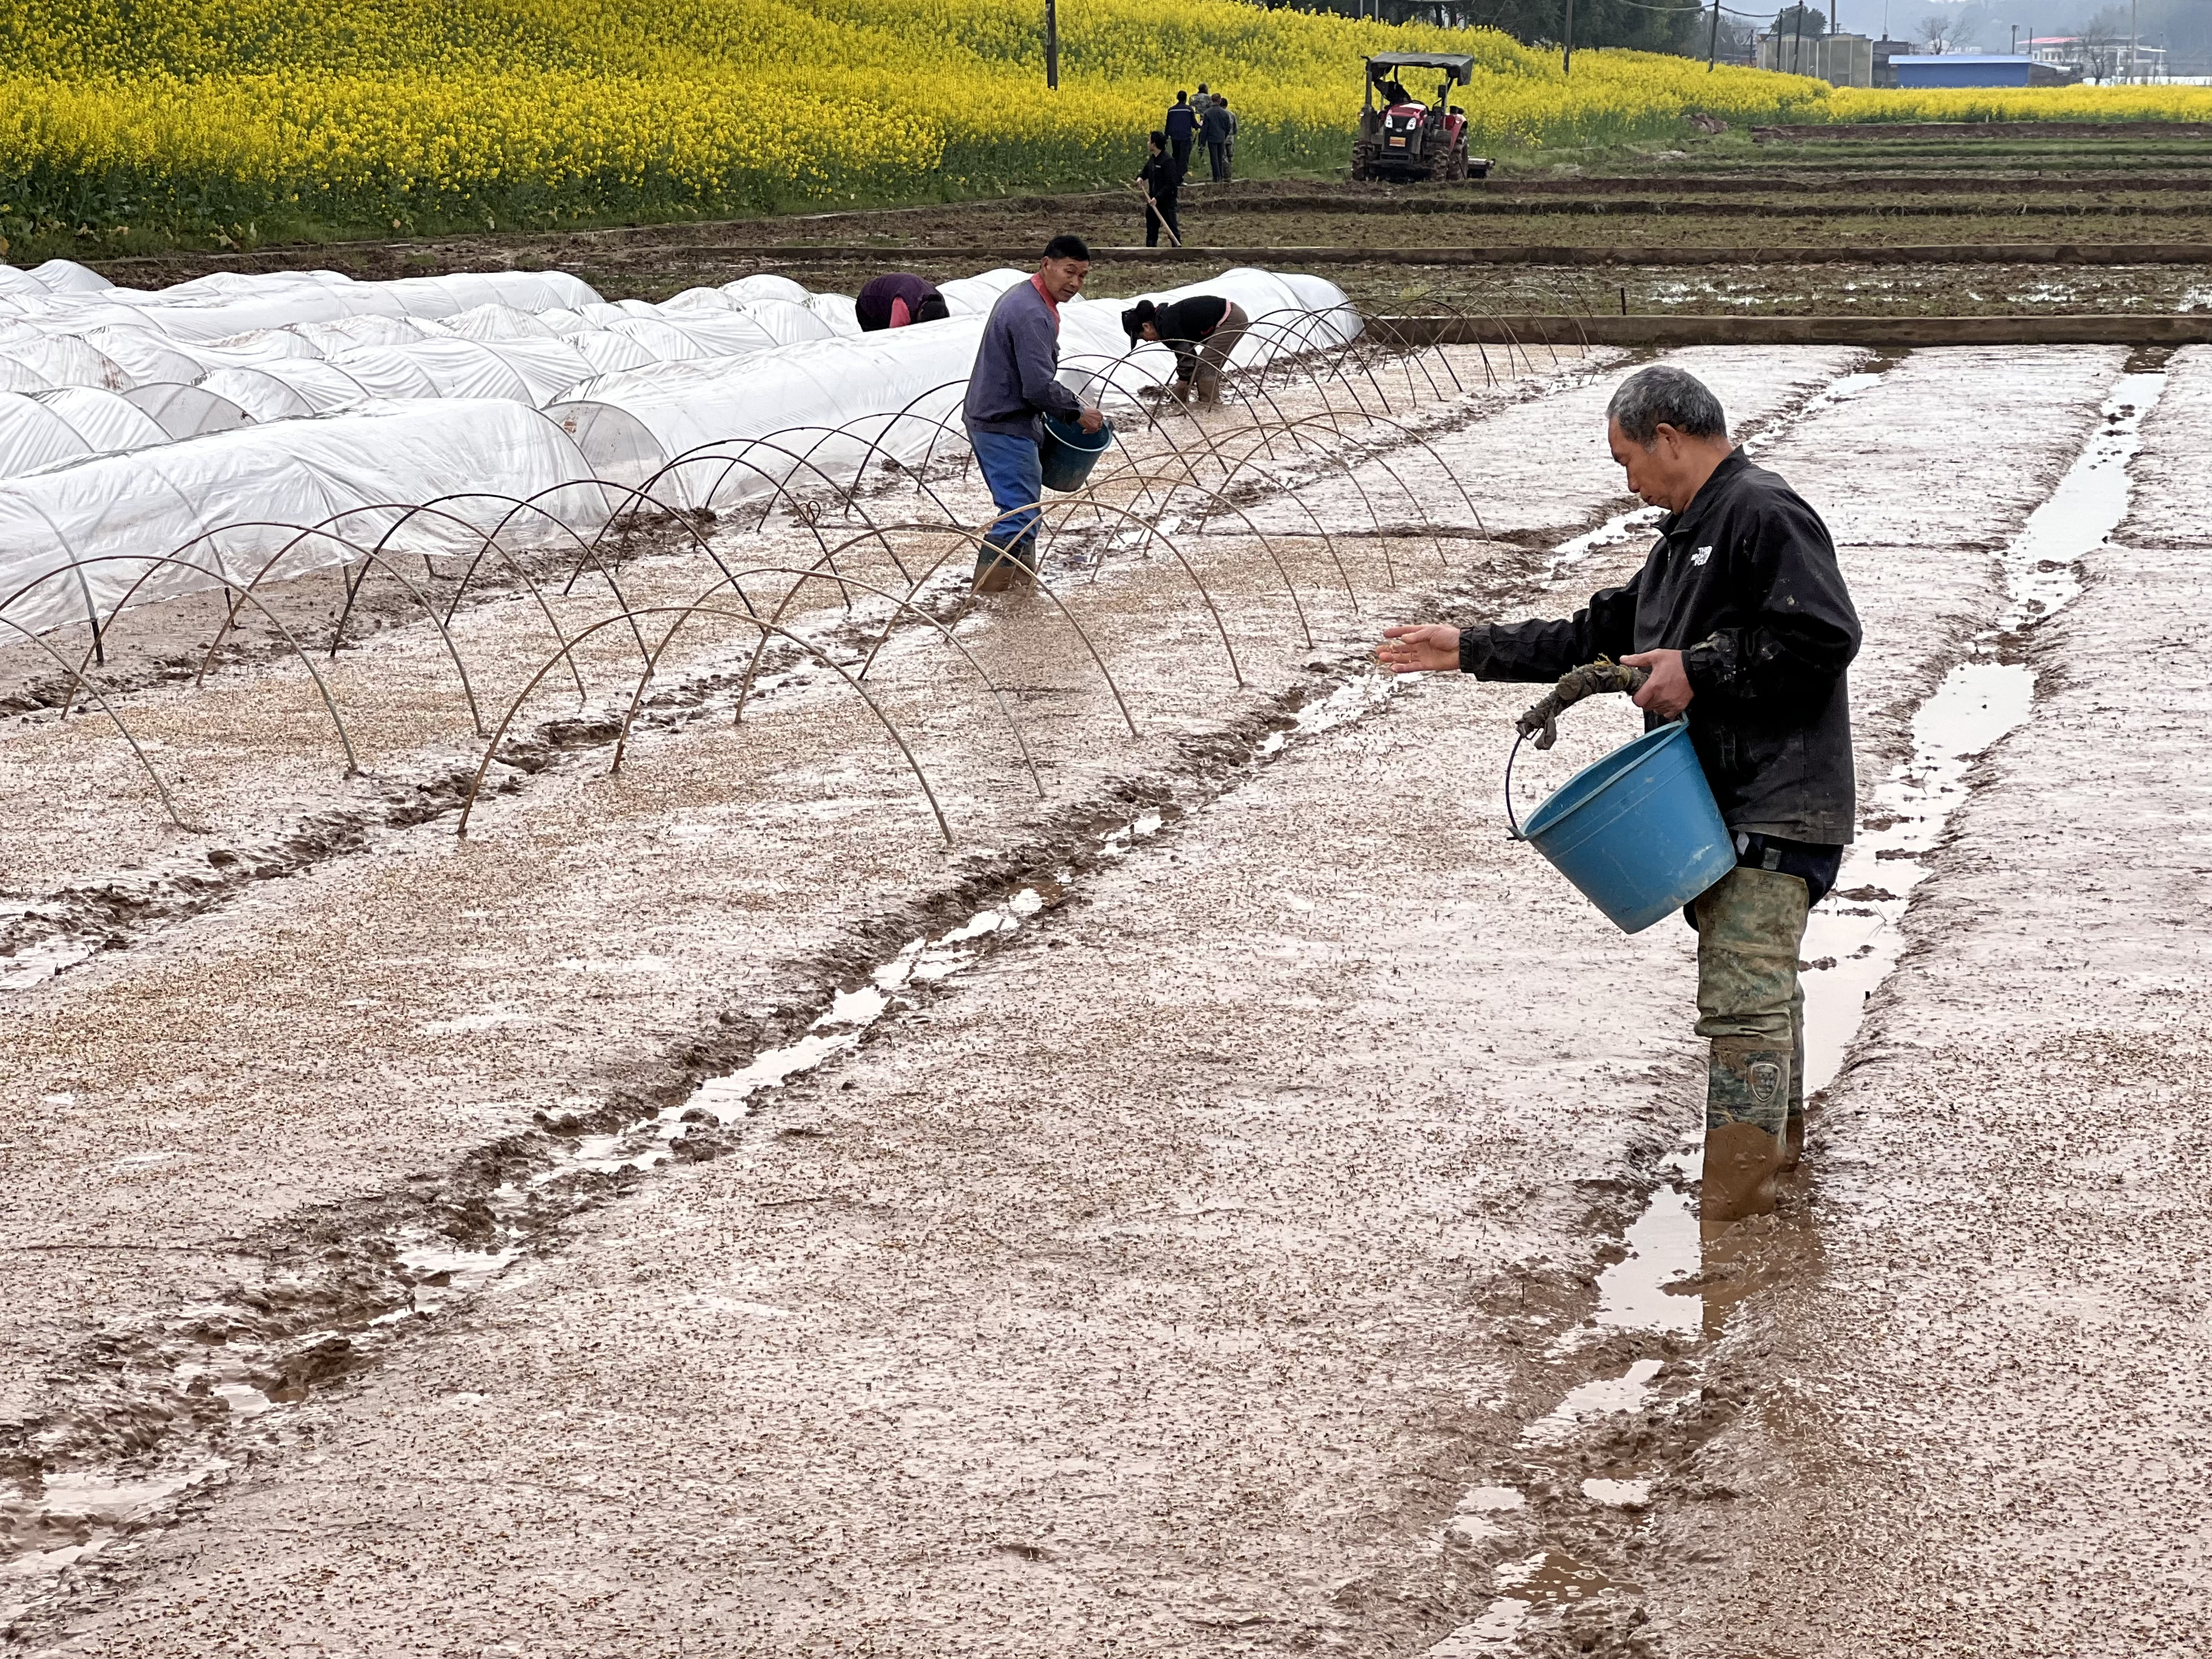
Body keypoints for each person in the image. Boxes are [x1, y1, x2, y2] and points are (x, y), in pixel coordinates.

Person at [1375, 366, 1861, 1228]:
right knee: (1760, 994)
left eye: (1627, 459)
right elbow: (1599, 634)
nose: (1627, 481)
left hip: (1774, 798)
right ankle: (1771, 1178)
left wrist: (1698, 667)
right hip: (1721, 797)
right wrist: (1470, 648)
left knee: (1742, 1000)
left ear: (1669, 438)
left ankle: (1736, 1216)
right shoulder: (1686, 535)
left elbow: (1820, 636)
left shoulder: (1760, 512)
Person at [961, 235, 1104, 592]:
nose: (1075, 283)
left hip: (1000, 414)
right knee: (1019, 516)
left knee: (1023, 510)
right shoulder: (1032, 314)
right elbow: (1038, 387)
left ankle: (1021, 591)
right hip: (1003, 422)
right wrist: (1077, 411)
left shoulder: (1025, 296)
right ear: (1046, 265)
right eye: (1069, 272)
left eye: (1083, 276)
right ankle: (988, 597)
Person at [1121, 294, 1247, 405]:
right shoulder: (1163, 322)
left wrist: (1180, 389)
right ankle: (1207, 404)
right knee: (1204, 366)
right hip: (1225, 317)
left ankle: (1211, 410)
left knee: (1205, 369)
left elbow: (1188, 358)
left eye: (1143, 337)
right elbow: (1188, 358)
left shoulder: (1166, 327)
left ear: (1147, 326)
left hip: (1230, 319)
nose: (1147, 341)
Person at [855, 272, 948, 332]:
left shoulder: (940, 305)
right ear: (921, 310)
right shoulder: (903, 306)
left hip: (896, 291)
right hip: (869, 302)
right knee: (880, 345)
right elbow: (895, 338)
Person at [1138, 132, 1181, 248]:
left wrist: (1158, 197)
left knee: (1172, 230)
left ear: (1154, 144)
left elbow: (1171, 184)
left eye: (1149, 141)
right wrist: (1141, 177)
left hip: (1166, 204)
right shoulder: (1153, 160)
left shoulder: (1168, 161)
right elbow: (1146, 171)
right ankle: (1150, 252)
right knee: (1151, 231)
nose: (1147, 143)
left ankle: (1178, 253)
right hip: (1153, 203)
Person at [1200, 94, 1233, 185]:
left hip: (1212, 138)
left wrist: (1202, 140)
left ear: (1211, 100)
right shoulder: (1225, 113)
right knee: (1220, 157)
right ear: (1220, 100)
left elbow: (1205, 128)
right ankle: (1221, 175)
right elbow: (1228, 127)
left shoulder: (1207, 113)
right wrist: (1224, 136)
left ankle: (1216, 177)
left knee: (1214, 157)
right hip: (1221, 137)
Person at [1165, 91, 1198, 181]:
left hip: (1175, 137)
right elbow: (1194, 124)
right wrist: (1200, 126)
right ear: (1186, 99)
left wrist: (1166, 136)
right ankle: (1180, 178)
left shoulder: (1171, 110)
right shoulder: (1189, 110)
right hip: (1185, 137)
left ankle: (1175, 176)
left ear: (1177, 98)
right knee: (1184, 158)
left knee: (1176, 156)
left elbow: (1168, 124)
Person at [1217, 94, 1238, 183]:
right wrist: (1232, 134)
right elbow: (1235, 128)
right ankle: (1229, 176)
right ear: (1226, 105)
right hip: (1230, 139)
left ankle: (1224, 176)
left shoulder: (1218, 114)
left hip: (1222, 139)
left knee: (1223, 157)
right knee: (1230, 158)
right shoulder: (1231, 114)